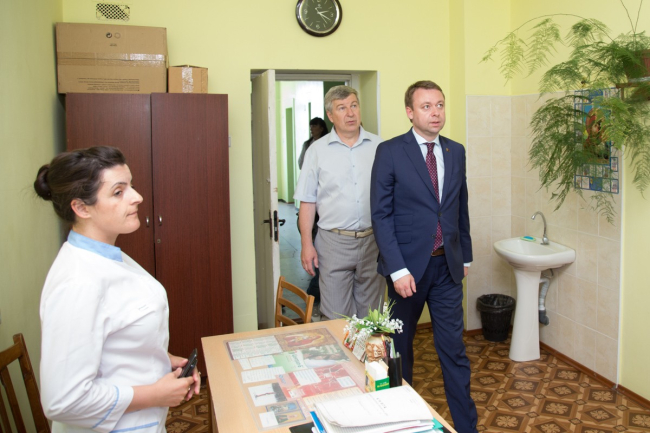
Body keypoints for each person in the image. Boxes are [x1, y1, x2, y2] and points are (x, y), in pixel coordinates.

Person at [34, 146, 200, 433]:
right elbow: (63, 401)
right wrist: (155, 394)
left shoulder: (108, 256)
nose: (137, 197)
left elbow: (115, 338)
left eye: (131, 186)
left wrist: (161, 360)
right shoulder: (77, 282)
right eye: (118, 192)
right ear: (81, 208)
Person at [370, 81, 477, 433]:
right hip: (407, 271)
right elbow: (381, 215)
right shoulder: (390, 151)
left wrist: (465, 257)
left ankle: (467, 427)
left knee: (454, 350)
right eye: (426, 106)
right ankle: (399, 422)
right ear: (410, 112)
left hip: (447, 267)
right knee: (399, 351)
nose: (436, 113)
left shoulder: (455, 151)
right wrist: (397, 269)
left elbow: (459, 206)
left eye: (440, 105)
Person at [294, 85, 384, 321]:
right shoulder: (316, 151)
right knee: (336, 318)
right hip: (333, 242)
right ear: (331, 115)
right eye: (342, 108)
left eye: (354, 105)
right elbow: (307, 201)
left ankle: (369, 348)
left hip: (373, 241)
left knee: (372, 317)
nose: (350, 113)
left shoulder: (380, 147)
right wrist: (306, 244)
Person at [297, 117, 329, 310]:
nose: (312, 129)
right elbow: (302, 163)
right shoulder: (310, 146)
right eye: (310, 127)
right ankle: (314, 293)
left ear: (322, 127)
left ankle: (313, 292)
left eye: (314, 126)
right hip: (314, 205)